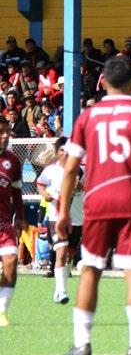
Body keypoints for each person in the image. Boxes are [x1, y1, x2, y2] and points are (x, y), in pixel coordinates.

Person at [57, 55, 131, 355]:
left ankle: (82, 344)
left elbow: (70, 169)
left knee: (90, 269)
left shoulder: (87, 117)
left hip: (97, 201)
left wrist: (62, 211)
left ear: (102, 82)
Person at [36, 137, 84, 304]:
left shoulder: (80, 170)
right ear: (57, 153)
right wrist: (44, 194)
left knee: (70, 255)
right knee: (61, 253)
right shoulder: (50, 170)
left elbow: (90, 188)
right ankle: (61, 290)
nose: (65, 153)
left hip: (77, 219)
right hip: (55, 218)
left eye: (68, 150)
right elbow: (40, 183)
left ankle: (62, 284)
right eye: (61, 150)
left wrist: (80, 186)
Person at [0, 117, 23, 327]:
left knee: (11, 261)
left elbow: (16, 192)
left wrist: (21, 217)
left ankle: (2, 312)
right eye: (1, 132)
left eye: (7, 131)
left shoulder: (13, 161)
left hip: (4, 224)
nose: (6, 136)